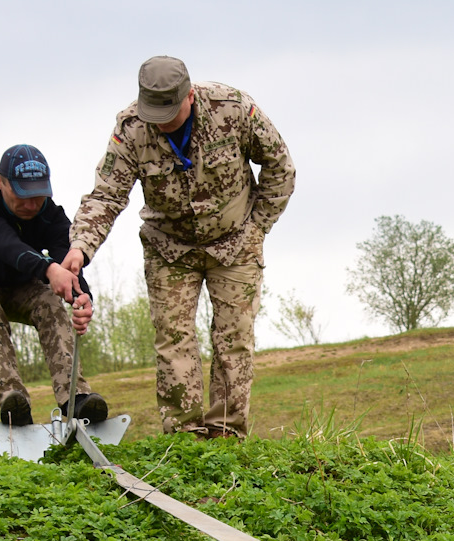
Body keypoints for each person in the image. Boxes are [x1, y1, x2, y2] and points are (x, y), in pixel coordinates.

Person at [64, 56, 295, 439]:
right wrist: (80, 247)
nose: (161, 120)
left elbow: (280, 167)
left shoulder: (233, 108)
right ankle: (185, 440)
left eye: (168, 111)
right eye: (153, 111)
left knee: (233, 340)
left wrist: (258, 228)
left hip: (235, 242)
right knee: (174, 341)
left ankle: (226, 436)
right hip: (169, 248)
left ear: (189, 95)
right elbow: (106, 196)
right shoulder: (131, 128)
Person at [0, 144, 104, 428]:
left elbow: (66, 259)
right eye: (22, 196)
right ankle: (13, 400)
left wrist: (81, 297)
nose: (30, 206)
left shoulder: (51, 215)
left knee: (51, 304)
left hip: (19, 286)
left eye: (38, 197)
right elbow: (6, 245)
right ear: (0, 182)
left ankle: (75, 399)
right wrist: (48, 268)